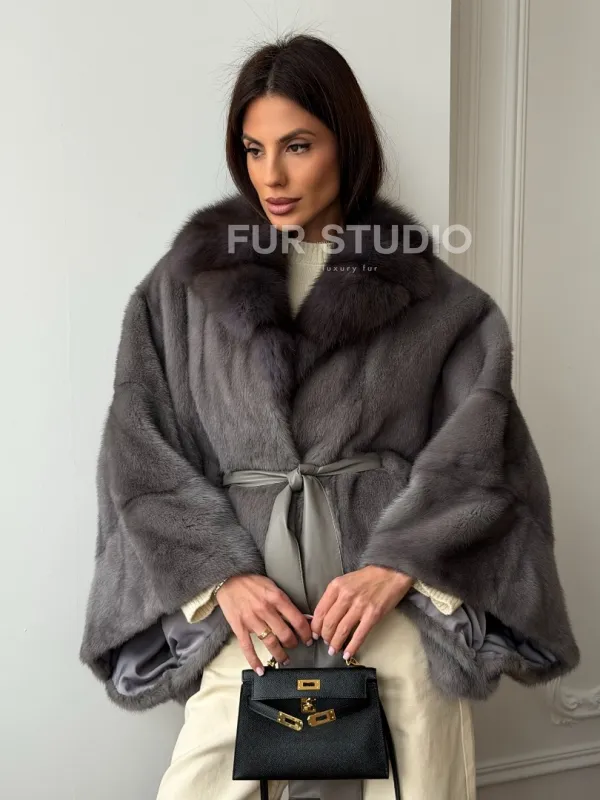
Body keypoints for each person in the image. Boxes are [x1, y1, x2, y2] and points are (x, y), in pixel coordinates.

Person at [79, 33, 579, 800]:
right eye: (253, 149)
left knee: (417, 766)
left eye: (297, 146)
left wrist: (395, 568)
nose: (271, 176)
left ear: (346, 143)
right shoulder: (180, 291)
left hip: (392, 606)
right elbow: (137, 450)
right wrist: (221, 578)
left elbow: (484, 456)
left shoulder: (439, 301)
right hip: (252, 614)